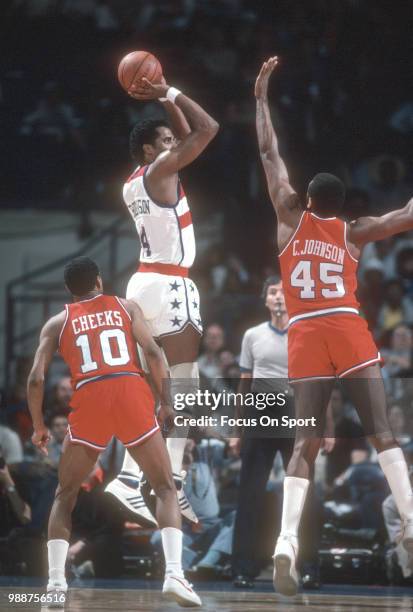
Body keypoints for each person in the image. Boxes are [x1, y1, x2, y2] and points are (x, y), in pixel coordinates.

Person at [255, 56, 413, 597]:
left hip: (303, 333)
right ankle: (412, 523)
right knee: (381, 429)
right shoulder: (353, 232)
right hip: (345, 326)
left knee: (305, 441)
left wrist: (259, 99)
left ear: (306, 198)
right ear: (341, 204)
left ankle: (285, 540)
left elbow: (270, 153)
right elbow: (406, 216)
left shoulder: (286, 220)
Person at [27, 257, 201, 608]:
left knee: (65, 494)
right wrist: (166, 402)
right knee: (166, 487)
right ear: (100, 281)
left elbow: (35, 379)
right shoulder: (126, 306)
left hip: (90, 394)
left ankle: (56, 584)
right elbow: (152, 352)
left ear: (68, 290)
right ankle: (174, 575)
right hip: (128, 389)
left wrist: (39, 426)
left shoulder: (57, 322)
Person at [105, 70, 219, 527]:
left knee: (158, 388)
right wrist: (170, 90)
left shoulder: (134, 180)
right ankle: (141, 479)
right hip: (170, 284)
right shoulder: (161, 170)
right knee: (186, 387)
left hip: (143, 284)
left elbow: (190, 136)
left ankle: (157, 480)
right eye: (166, 139)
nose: (176, 143)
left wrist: (166, 104)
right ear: (150, 150)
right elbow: (208, 130)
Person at [230, 276, 325, 589]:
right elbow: (244, 385)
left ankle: (309, 566)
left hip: (296, 416)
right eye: (273, 292)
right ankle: (242, 569)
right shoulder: (252, 335)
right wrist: (236, 429)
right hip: (259, 415)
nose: (280, 298)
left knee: (303, 496)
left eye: (285, 292)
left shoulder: (306, 332)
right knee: (249, 496)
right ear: (265, 300)